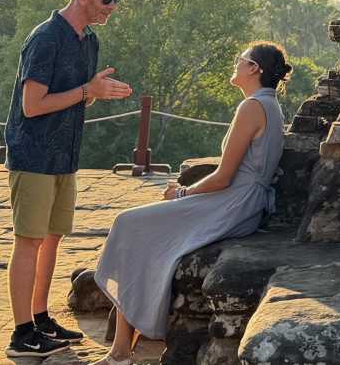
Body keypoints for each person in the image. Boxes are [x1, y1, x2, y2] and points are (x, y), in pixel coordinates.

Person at [92, 41, 292, 365]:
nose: (236, 64)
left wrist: (182, 194)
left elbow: (224, 176)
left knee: (128, 225)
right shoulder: (268, 104)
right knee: (140, 233)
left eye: (240, 60)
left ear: (254, 69)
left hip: (233, 202)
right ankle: (120, 351)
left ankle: (119, 352)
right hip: (242, 201)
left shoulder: (253, 107)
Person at [4, 0, 133, 358]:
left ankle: (40, 318)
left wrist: (96, 93)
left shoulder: (88, 41)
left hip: (65, 155)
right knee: (28, 240)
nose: (113, 7)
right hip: (33, 154)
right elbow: (33, 105)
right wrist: (86, 90)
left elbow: (76, 96)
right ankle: (21, 332)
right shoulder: (45, 39)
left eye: (116, 0)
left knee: (52, 237)